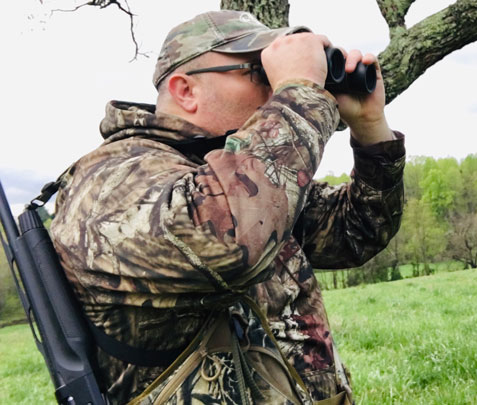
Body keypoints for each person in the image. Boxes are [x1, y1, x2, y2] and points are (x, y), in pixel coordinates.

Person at [50, 10, 404, 405]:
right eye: (261, 72)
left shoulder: (232, 172)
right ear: (186, 91)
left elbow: (355, 233)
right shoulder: (111, 180)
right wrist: (299, 90)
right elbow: (230, 247)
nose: (275, 88)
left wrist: (370, 127)